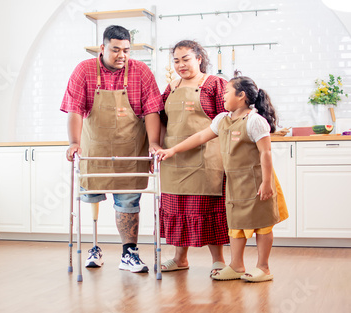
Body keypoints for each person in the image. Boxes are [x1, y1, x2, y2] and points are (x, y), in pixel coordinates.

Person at [156, 75, 288, 282]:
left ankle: (263, 267)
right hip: (235, 182)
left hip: (258, 182)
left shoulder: (255, 121)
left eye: (227, 91)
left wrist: (266, 182)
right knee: (235, 225)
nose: (223, 95)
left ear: (241, 95)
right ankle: (236, 266)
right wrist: (172, 150)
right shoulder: (222, 120)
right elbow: (200, 137)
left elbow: (266, 153)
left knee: (262, 225)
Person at [61, 25, 163, 273]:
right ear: (102, 47)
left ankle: (129, 253)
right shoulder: (84, 70)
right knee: (92, 197)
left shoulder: (141, 71)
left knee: (128, 202)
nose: (122, 55)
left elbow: (152, 111)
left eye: (127, 50)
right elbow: (74, 109)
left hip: (130, 150)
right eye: (116, 50)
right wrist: (74, 141)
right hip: (94, 149)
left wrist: (154, 144)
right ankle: (94, 247)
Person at [159, 40, 229, 275]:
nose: (181, 65)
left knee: (207, 209)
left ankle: (218, 260)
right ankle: (180, 259)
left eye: (186, 59)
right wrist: (157, 147)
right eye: (176, 60)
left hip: (206, 158)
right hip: (173, 157)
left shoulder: (215, 84)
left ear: (199, 58)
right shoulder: (170, 88)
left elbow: (228, 121)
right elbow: (162, 121)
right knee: (178, 208)